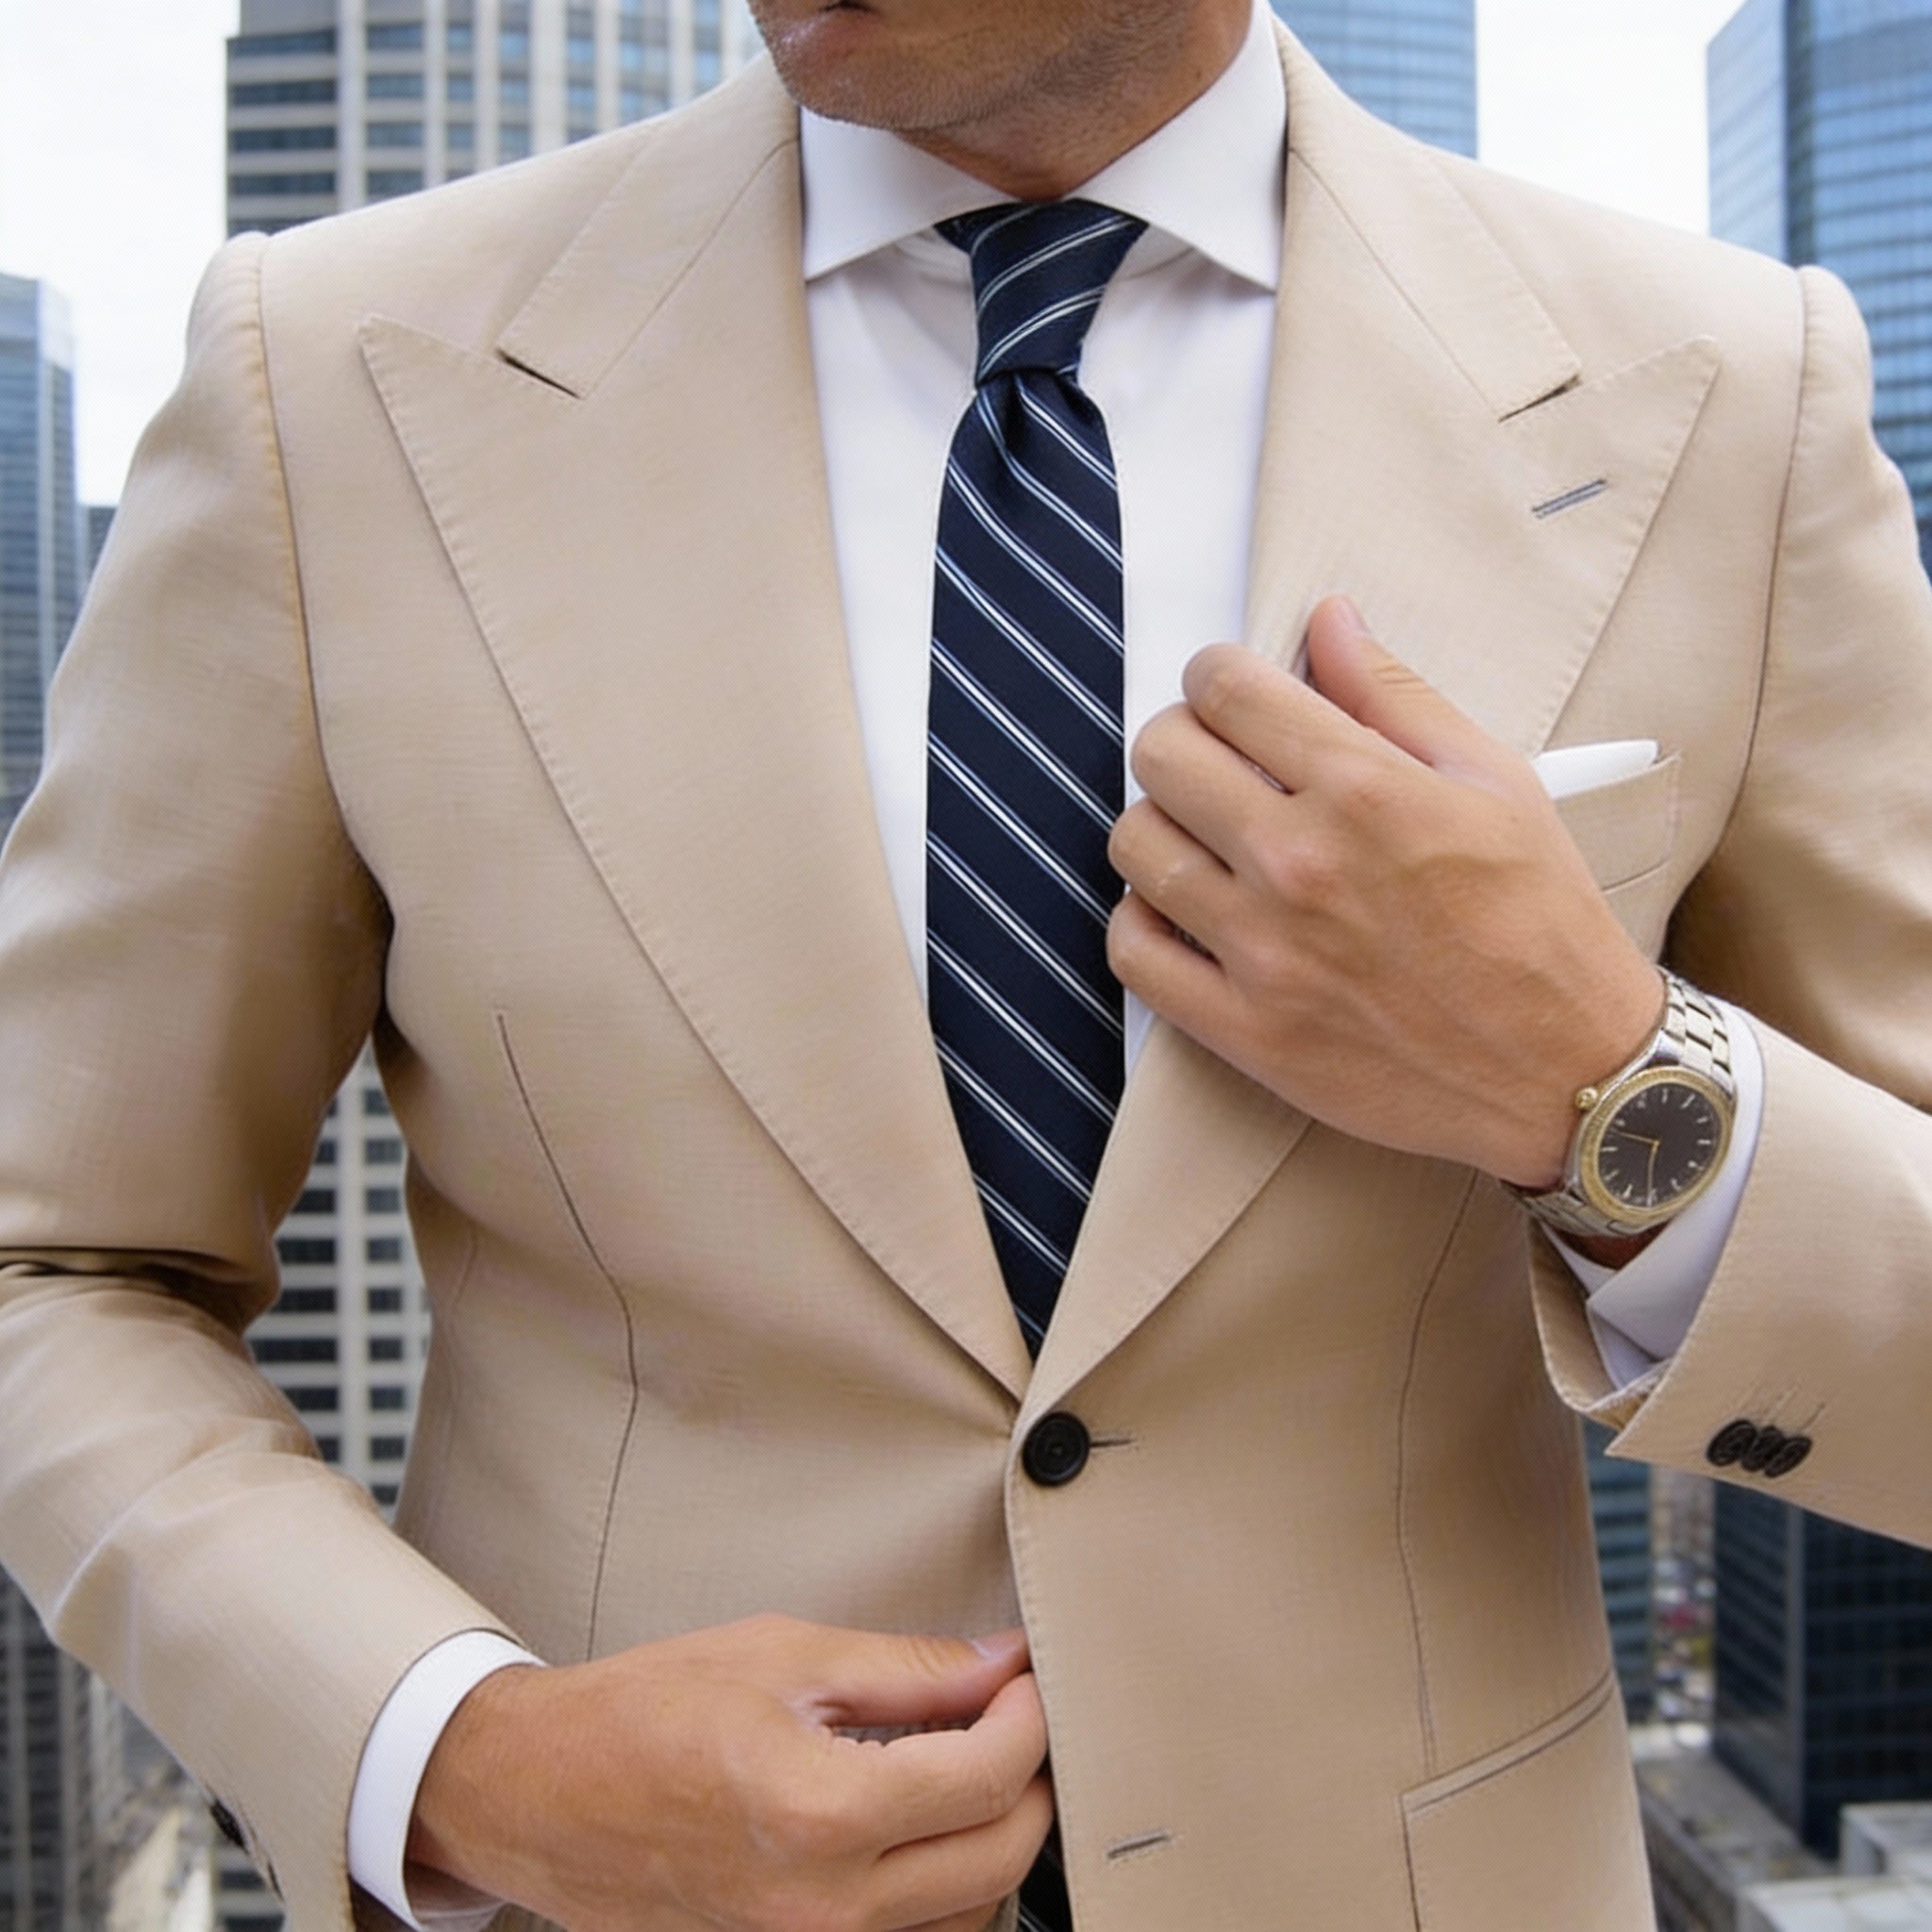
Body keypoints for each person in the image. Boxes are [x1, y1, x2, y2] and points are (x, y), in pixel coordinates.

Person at [1, 0, 1929, 1926]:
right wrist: (460, 1753)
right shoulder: (325, 375)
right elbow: (55, 1257)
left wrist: (1600, 1084)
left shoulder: (1726, 397)